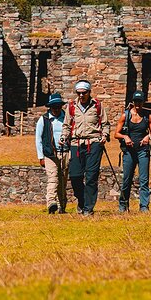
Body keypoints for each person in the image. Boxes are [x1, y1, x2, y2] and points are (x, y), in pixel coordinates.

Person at [60, 80, 110, 216]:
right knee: (75, 176)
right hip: (76, 143)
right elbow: (66, 125)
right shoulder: (71, 107)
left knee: (91, 176)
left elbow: (105, 124)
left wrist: (104, 135)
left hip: (94, 143)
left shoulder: (98, 106)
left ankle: (88, 208)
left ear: (89, 92)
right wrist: (64, 137)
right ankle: (81, 201)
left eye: (84, 93)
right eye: (79, 93)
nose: (81, 96)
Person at [113, 90, 151, 212]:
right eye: (136, 101)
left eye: (140, 101)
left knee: (144, 180)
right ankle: (123, 205)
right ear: (132, 102)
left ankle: (144, 206)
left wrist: (147, 137)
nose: (138, 104)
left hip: (143, 151)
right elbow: (116, 134)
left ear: (143, 102)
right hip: (128, 151)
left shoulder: (147, 116)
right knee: (126, 179)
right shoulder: (125, 115)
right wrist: (125, 137)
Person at [35, 93, 68, 214]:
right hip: (50, 153)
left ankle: (62, 205)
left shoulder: (66, 118)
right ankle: (51, 202)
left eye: (58, 106)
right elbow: (38, 139)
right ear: (50, 107)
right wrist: (40, 156)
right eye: (54, 107)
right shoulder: (43, 119)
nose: (56, 109)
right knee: (53, 178)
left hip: (65, 152)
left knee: (63, 179)